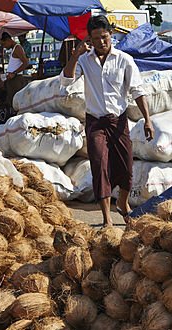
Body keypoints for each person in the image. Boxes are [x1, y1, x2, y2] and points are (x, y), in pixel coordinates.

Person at [62, 14, 154, 228]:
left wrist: (147, 120)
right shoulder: (85, 60)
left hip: (119, 121)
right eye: (96, 39)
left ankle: (122, 202)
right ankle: (107, 218)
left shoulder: (124, 60)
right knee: (99, 165)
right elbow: (66, 80)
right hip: (95, 123)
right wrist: (76, 54)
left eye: (104, 37)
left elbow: (138, 91)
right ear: (89, 40)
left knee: (126, 167)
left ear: (111, 35)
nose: (101, 42)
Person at [0, 32, 30, 102]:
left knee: (16, 102)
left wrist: (14, 73)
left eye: (4, 44)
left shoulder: (17, 48)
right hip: (12, 79)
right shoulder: (14, 49)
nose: (4, 46)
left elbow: (26, 63)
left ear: (8, 40)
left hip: (16, 80)